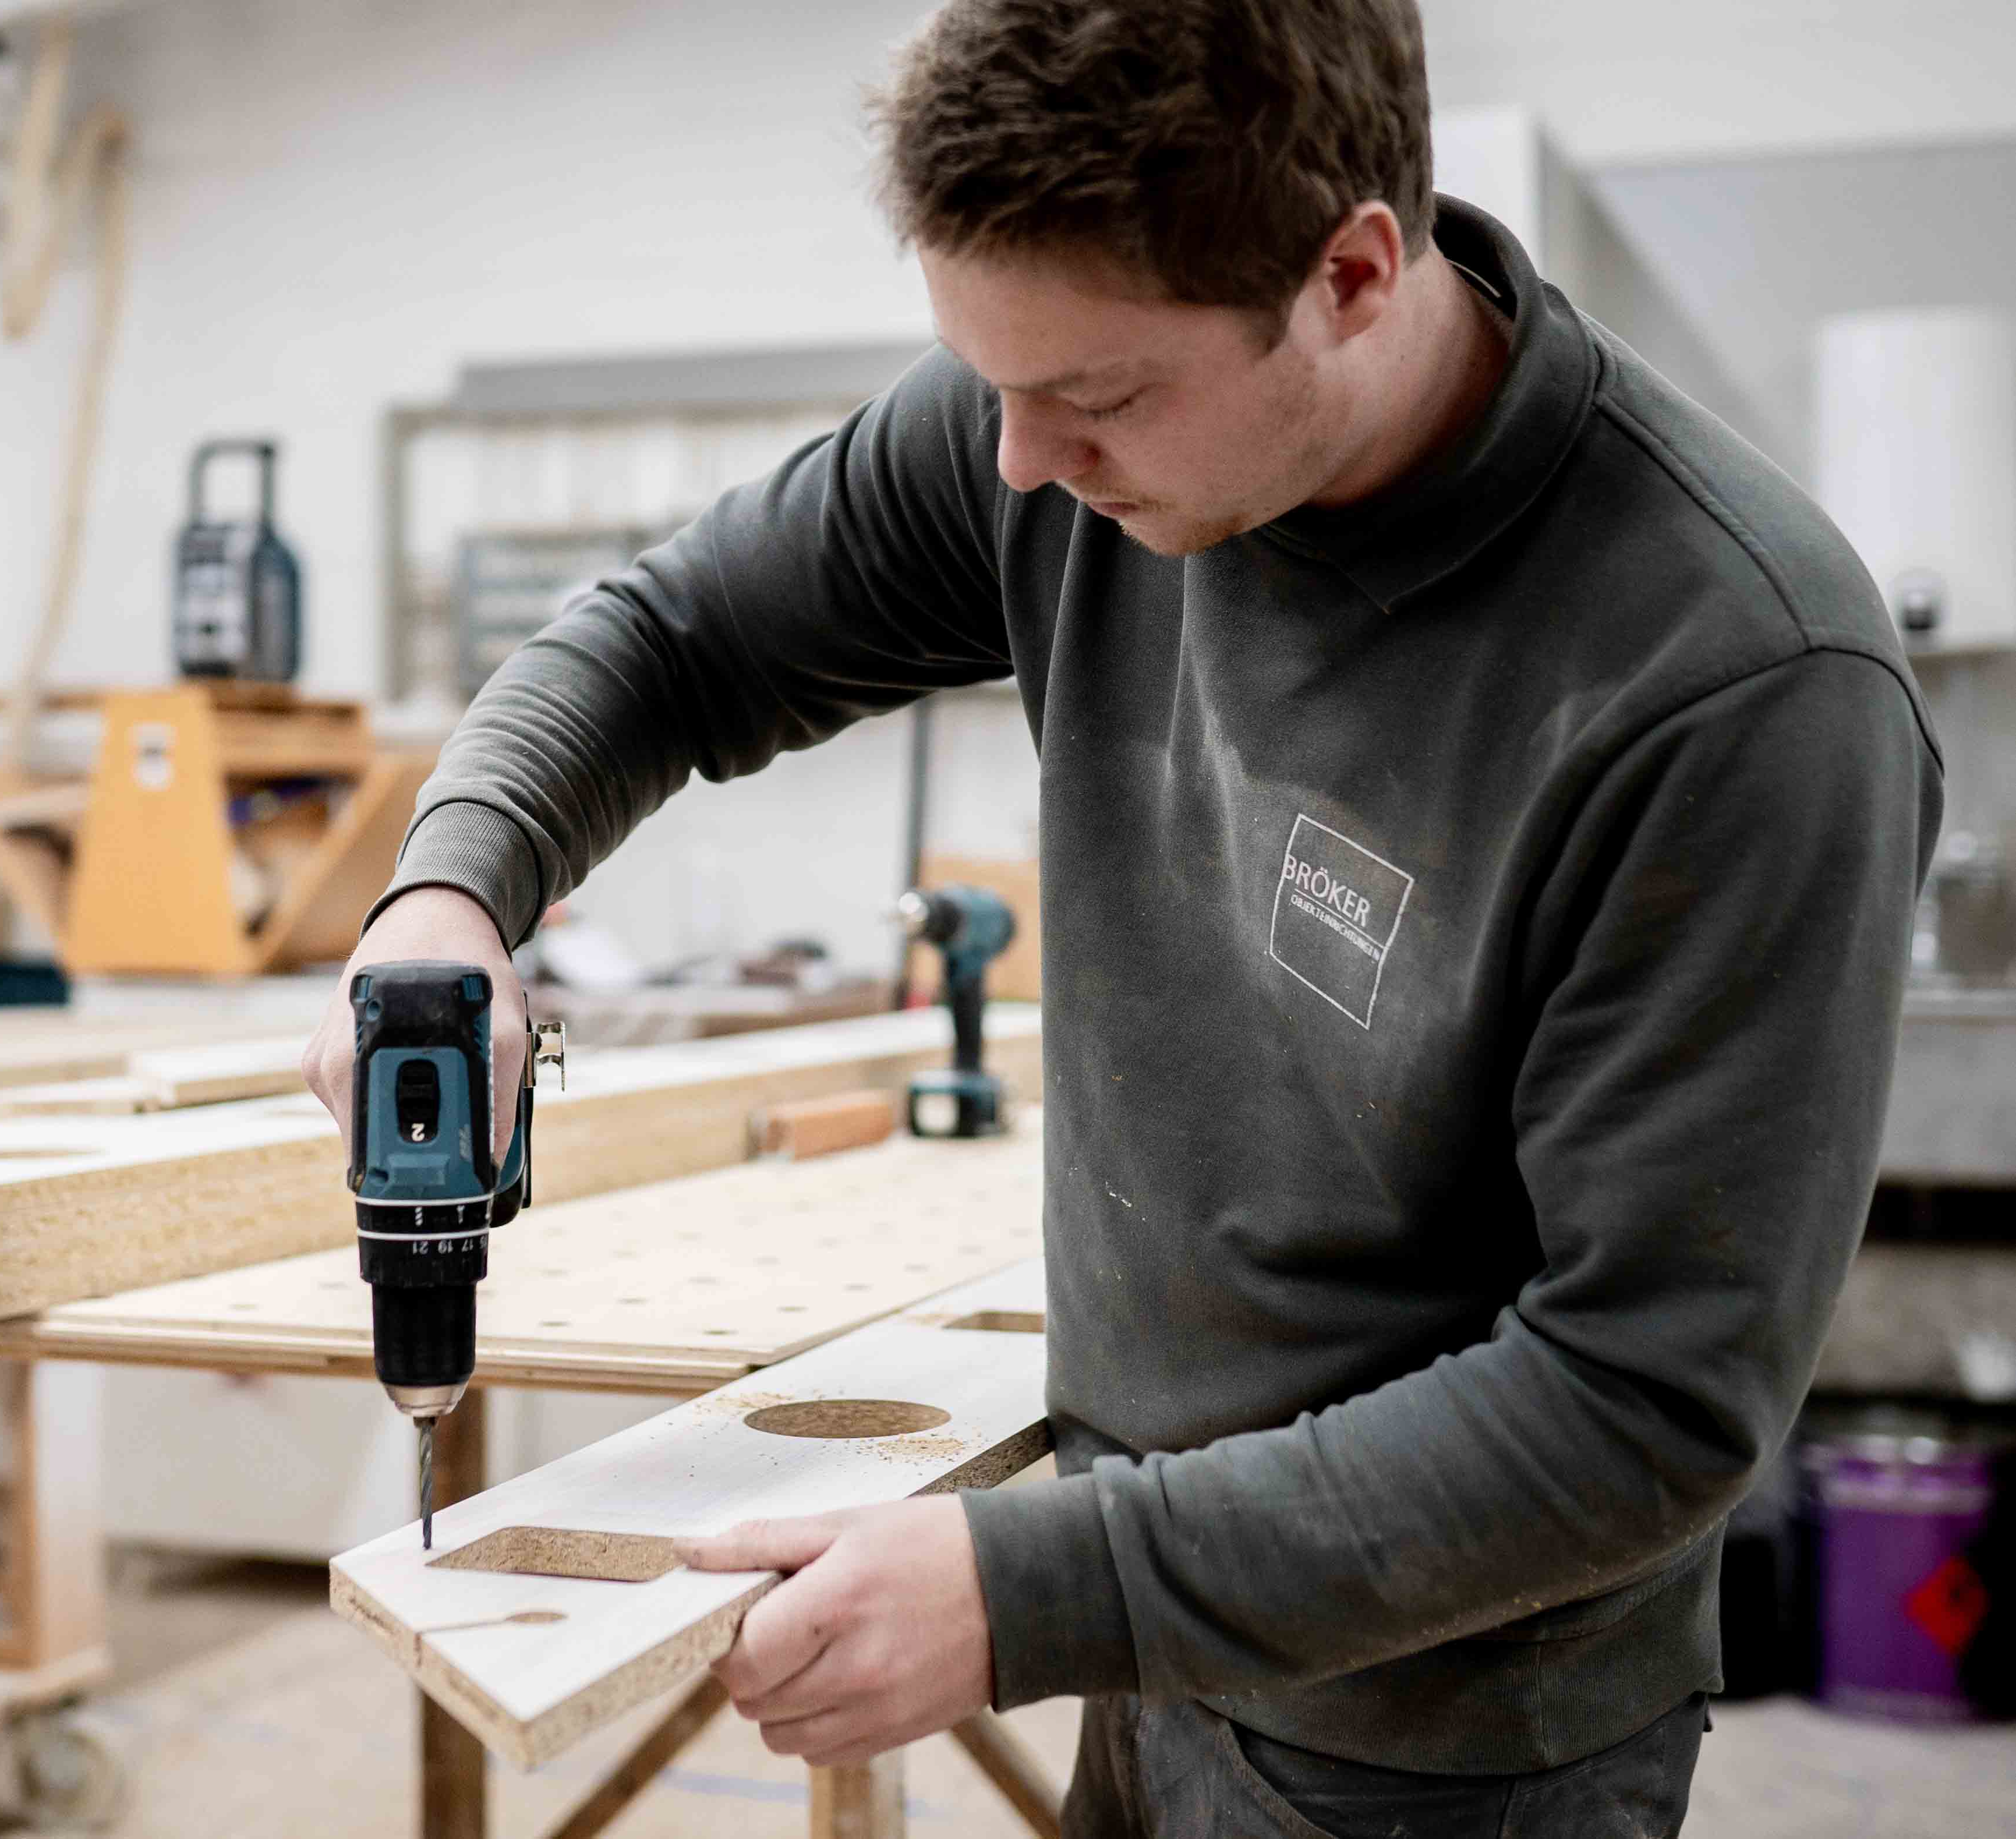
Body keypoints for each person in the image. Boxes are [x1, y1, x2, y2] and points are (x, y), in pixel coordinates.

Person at [300, 2, 1939, 1833]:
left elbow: (1636, 1408)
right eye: (987, 381)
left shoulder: (1735, 683)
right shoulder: (1058, 435)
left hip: (1444, 1739)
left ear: (1348, 276)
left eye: (1094, 400)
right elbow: (670, 641)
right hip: (1145, 1639)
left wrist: (1036, 1591)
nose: (1014, 464)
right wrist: (452, 888)